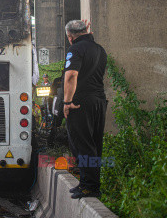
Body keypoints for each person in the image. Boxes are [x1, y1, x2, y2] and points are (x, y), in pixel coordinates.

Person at [63, 20, 107, 199]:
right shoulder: (99, 49)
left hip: (80, 103)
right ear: (86, 30)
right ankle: (89, 183)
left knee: (82, 144)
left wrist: (67, 102)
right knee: (95, 144)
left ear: (70, 36)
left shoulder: (75, 49)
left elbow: (71, 75)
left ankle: (89, 186)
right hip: (99, 101)